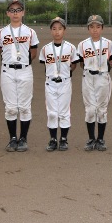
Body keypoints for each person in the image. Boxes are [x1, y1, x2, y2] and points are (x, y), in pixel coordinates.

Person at [0, 0, 39, 152]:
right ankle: (13, 138)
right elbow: (1, 50)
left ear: (23, 13)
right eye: (12, 10)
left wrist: (23, 62)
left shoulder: (30, 32)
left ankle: (23, 138)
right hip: (7, 70)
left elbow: (33, 52)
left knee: (25, 107)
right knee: (10, 107)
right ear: (7, 13)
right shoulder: (1, 33)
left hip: (25, 70)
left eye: (18, 10)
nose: (15, 13)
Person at [39, 17, 79, 151]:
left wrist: (66, 72)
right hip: (50, 83)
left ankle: (63, 139)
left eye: (60, 29)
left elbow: (74, 64)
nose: (57, 32)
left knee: (64, 112)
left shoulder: (71, 48)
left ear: (64, 31)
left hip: (65, 83)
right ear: (51, 31)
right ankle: (53, 139)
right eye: (54, 29)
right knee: (52, 113)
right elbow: (45, 65)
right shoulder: (45, 49)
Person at [77, 14, 112, 151]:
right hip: (88, 77)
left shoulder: (108, 44)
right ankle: (91, 138)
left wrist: (103, 68)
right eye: (92, 27)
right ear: (88, 28)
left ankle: (100, 139)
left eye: (98, 27)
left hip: (103, 77)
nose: (95, 29)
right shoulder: (82, 45)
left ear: (102, 28)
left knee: (102, 109)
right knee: (90, 109)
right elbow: (81, 63)